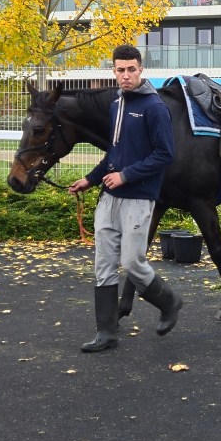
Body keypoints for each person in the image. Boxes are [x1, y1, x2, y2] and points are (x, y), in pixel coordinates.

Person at [68, 44, 180, 353]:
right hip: (109, 199)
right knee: (103, 265)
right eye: (120, 70)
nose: (126, 75)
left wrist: (126, 175)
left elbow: (165, 154)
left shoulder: (155, 107)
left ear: (141, 69)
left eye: (131, 69)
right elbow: (114, 154)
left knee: (132, 262)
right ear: (114, 71)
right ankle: (107, 333)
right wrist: (90, 180)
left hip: (138, 198)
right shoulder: (117, 104)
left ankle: (169, 301)